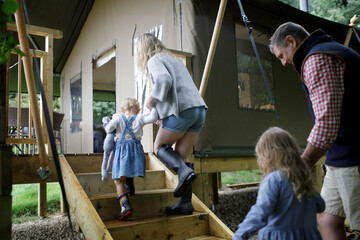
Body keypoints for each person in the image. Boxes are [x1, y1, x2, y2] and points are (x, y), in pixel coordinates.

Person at [269, 22, 360, 239]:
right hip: (340, 156)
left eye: (282, 55)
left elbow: (327, 123)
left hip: (354, 156)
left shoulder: (317, 59)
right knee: (327, 217)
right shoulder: (327, 50)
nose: (283, 63)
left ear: (292, 41)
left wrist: (303, 164)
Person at [135, 33, 207, 215]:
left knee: (159, 146)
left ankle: (183, 172)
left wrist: (151, 100)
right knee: (181, 155)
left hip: (183, 110)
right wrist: (163, 112)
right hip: (198, 110)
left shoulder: (154, 60)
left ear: (142, 50)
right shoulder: (173, 60)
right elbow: (177, 88)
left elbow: (164, 81)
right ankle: (185, 204)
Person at [234, 127, 325, 240]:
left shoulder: (274, 179)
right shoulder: (303, 179)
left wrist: (239, 235)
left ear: (267, 156)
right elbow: (321, 206)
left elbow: (260, 212)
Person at [104, 97, 158, 220]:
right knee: (129, 170)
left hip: (122, 150)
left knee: (118, 180)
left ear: (122, 110)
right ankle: (130, 189)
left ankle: (125, 207)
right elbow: (154, 117)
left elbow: (108, 129)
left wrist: (107, 122)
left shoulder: (118, 117)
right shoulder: (140, 118)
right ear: (138, 110)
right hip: (136, 150)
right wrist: (153, 105)